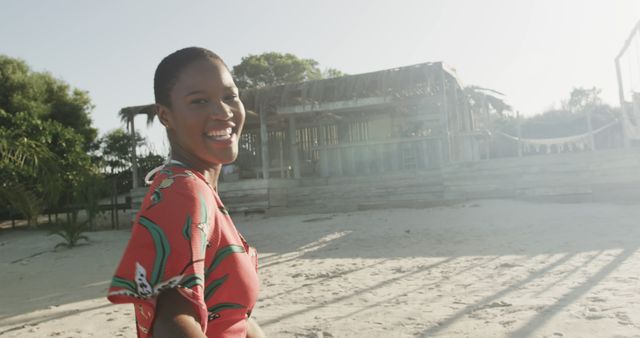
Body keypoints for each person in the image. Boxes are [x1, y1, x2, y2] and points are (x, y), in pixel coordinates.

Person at [107, 47, 266, 338]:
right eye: (200, 101)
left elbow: (230, 316)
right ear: (166, 116)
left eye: (230, 97)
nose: (223, 112)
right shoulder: (184, 192)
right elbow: (171, 324)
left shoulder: (197, 189)